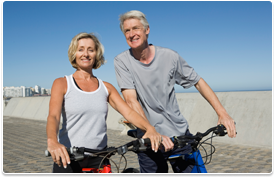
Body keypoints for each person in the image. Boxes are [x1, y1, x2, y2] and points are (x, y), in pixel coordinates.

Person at [114, 10, 237, 173]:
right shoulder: (122, 61)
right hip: (148, 139)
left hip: (179, 135)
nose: (131, 34)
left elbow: (198, 82)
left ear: (147, 29)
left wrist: (222, 113)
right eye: (127, 31)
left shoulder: (170, 57)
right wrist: (152, 132)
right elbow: (131, 100)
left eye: (135, 28)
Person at [46, 32, 162, 173]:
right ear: (74, 53)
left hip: (100, 159)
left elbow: (129, 112)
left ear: (97, 54)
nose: (86, 54)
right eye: (81, 49)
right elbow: (54, 116)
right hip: (69, 158)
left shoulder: (106, 87)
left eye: (91, 50)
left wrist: (149, 128)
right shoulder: (62, 83)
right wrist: (53, 141)